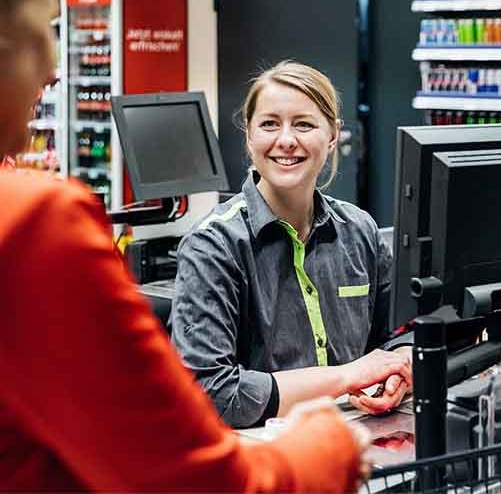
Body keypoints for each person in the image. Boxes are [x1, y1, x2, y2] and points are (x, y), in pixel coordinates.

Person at [0, 0, 371, 491]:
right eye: (44, 29)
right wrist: (328, 444)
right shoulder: (23, 226)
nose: (53, 70)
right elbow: (189, 479)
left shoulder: (358, 230)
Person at [171, 61, 412, 429]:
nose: (286, 140)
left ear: (332, 135)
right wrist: (348, 376)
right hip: (259, 465)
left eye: (303, 124)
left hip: (357, 447)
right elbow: (209, 393)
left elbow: (399, 335)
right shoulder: (213, 247)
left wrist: (400, 370)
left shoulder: (360, 231)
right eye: (269, 124)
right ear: (249, 136)